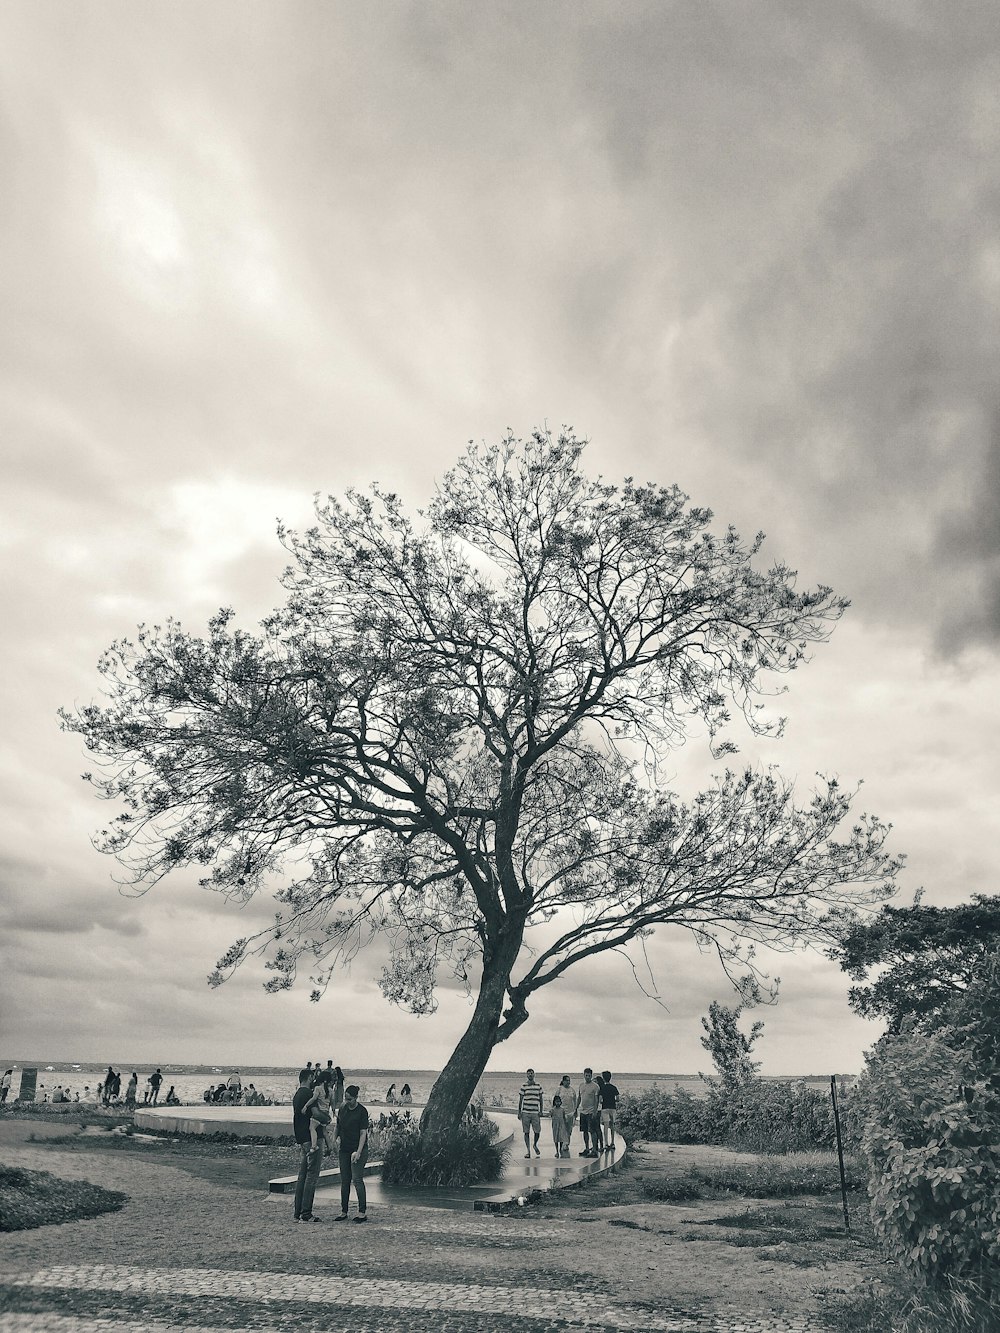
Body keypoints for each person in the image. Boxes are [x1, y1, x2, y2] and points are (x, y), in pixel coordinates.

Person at [334, 1084, 370, 1222]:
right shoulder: (343, 1108)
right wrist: (333, 1140)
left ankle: (362, 1212)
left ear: (356, 1098)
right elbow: (338, 1125)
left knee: (357, 1179)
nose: (347, 1101)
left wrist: (359, 1151)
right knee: (345, 1180)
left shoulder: (362, 1111)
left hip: (358, 1148)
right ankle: (344, 1211)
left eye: (350, 1099)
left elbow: (363, 1133)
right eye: (346, 1098)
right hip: (344, 1148)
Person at [292, 1068, 323, 1223]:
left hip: (302, 1137)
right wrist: (327, 1118)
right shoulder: (308, 1094)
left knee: (303, 1175)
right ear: (309, 1077)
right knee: (312, 1175)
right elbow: (316, 1114)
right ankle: (306, 1213)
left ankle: (298, 1211)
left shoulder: (297, 1094)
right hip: (311, 1138)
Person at [518, 1068, 544, 1158]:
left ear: (534, 1075)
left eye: (531, 1073)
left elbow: (541, 1099)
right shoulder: (524, 1086)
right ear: (526, 1075)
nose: (530, 1075)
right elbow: (520, 1100)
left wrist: (541, 1111)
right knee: (526, 1132)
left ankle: (535, 1144)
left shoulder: (538, 1086)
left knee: (537, 1131)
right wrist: (519, 1112)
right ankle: (528, 1151)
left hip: (535, 1112)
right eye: (528, 1073)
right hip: (525, 1112)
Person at [577, 1068, 601, 1157]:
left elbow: (596, 1100)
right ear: (584, 1075)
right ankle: (587, 1148)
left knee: (592, 1131)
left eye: (589, 1076)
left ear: (591, 1075)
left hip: (591, 1111)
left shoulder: (595, 1086)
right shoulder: (581, 1085)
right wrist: (576, 1108)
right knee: (584, 1131)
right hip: (583, 1111)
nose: (587, 1077)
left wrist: (595, 1111)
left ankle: (594, 1150)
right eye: (586, 1075)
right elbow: (579, 1097)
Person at [599, 1070, 620, 1151]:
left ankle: (606, 1143)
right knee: (612, 1126)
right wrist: (613, 1101)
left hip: (605, 1108)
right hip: (613, 1108)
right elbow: (618, 1099)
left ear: (603, 1078)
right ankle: (613, 1143)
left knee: (606, 1126)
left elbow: (600, 1100)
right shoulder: (614, 1087)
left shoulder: (602, 1088)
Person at [556, 1075, 578, 1153]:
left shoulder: (572, 1090)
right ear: (563, 1081)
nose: (568, 1082)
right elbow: (555, 1100)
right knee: (562, 1129)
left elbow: (575, 1101)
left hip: (571, 1113)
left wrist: (575, 1111)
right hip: (561, 1112)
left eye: (569, 1080)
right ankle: (563, 1144)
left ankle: (567, 1143)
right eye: (566, 1080)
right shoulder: (559, 1089)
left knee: (569, 1129)